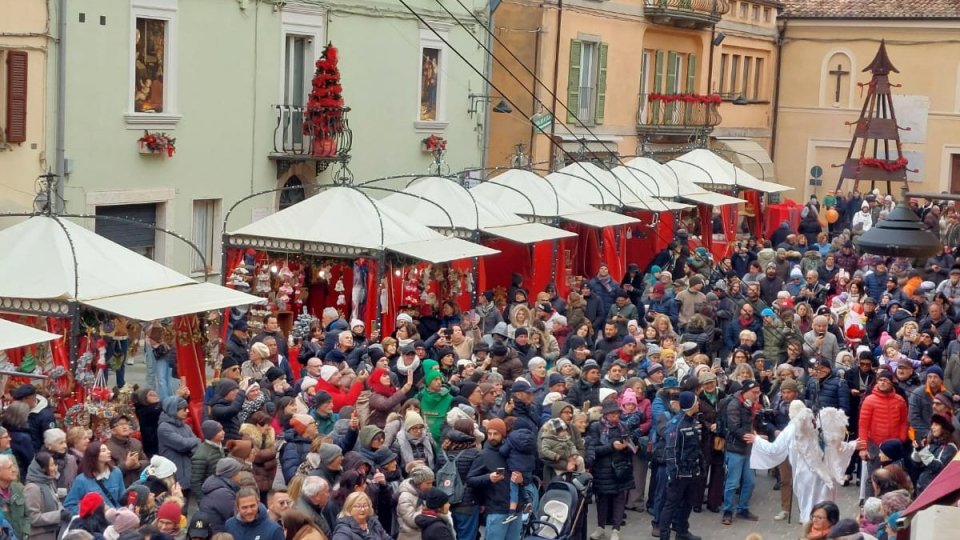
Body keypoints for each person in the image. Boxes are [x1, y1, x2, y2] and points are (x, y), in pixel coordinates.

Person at [750, 400, 857, 523]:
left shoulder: (791, 428)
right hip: (820, 471)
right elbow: (831, 444)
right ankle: (823, 524)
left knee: (808, 503)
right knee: (821, 502)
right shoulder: (815, 425)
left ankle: (810, 525)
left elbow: (774, 449)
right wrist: (851, 445)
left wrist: (757, 440)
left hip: (804, 473)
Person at [656, 391, 704, 540]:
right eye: (696, 401)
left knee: (688, 503)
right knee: (670, 505)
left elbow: (696, 447)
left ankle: (682, 531)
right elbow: (671, 450)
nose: (698, 404)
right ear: (690, 404)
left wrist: (700, 466)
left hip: (692, 471)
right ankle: (664, 535)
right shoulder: (676, 424)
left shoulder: (693, 421)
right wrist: (674, 473)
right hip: (679, 474)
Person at [586, 400, 634, 540]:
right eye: (612, 414)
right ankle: (600, 527)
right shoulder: (596, 427)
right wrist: (612, 446)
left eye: (617, 414)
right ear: (605, 415)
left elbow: (630, 447)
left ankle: (616, 529)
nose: (615, 417)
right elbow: (594, 450)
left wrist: (627, 447)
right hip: (603, 469)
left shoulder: (623, 426)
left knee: (619, 499)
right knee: (603, 500)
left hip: (621, 468)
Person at [466, 418, 519, 540]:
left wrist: (522, 480)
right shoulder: (483, 455)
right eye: (489, 433)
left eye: (496, 434)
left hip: (516, 509)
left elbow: (526, 476)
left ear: (503, 434)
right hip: (496, 508)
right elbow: (470, 480)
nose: (492, 437)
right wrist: (488, 477)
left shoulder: (513, 452)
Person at [720, 380, 761, 525]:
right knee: (732, 483)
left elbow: (751, 424)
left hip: (748, 450)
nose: (757, 395)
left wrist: (755, 434)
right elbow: (734, 428)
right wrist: (753, 437)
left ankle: (743, 508)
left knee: (750, 482)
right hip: (735, 449)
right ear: (746, 391)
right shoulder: (735, 404)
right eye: (754, 392)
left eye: (758, 392)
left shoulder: (752, 404)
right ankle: (727, 511)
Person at [157, 396, 200, 499]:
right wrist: (195, 441)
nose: (187, 411)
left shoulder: (185, 426)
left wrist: (192, 443)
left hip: (188, 472)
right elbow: (182, 444)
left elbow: (197, 445)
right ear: (173, 410)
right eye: (184, 409)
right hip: (174, 475)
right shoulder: (164, 427)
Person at [64, 441, 125, 512]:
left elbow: (123, 497)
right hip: (96, 521)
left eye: (107, 449)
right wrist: (89, 512)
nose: (109, 452)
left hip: (116, 517)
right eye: (103, 451)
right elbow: (69, 506)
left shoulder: (116, 472)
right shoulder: (81, 480)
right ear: (94, 455)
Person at [24, 451, 70, 540]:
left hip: (53, 533)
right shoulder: (32, 488)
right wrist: (59, 515)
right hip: (39, 536)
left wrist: (63, 512)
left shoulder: (48, 482)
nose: (55, 468)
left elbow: (56, 502)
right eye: (51, 465)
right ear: (43, 468)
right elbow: (33, 518)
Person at [199, 458, 244, 533]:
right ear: (231, 475)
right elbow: (237, 516)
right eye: (238, 473)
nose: (240, 476)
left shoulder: (219, 487)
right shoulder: (223, 494)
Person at [105, 415, 147, 487]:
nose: (125, 427)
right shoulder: (107, 448)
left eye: (126, 424)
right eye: (120, 425)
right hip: (121, 487)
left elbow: (146, 462)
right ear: (113, 431)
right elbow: (109, 474)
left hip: (140, 485)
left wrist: (139, 465)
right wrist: (126, 466)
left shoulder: (136, 443)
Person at [191, 421, 226, 500]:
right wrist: (204, 500)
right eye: (220, 431)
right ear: (212, 434)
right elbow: (195, 482)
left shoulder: (219, 446)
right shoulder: (201, 456)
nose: (223, 432)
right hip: (210, 496)